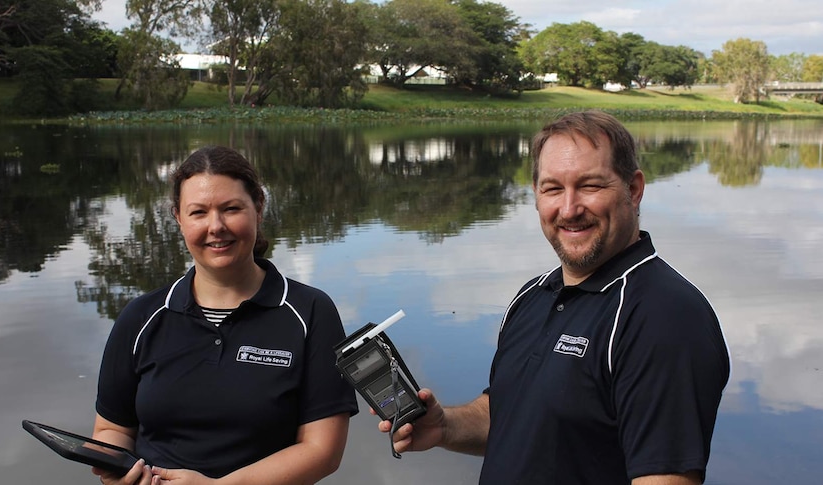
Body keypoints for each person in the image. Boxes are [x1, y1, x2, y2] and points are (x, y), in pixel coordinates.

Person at [379, 110, 731, 484]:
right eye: (552, 188)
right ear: (535, 195)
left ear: (633, 189)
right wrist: (446, 427)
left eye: (590, 186)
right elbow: (512, 413)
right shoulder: (533, 295)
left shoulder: (664, 317)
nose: (569, 209)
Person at [92, 145, 358, 485]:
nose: (215, 226)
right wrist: (117, 469)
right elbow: (112, 428)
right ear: (177, 217)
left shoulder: (310, 312)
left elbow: (323, 450)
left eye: (231, 209)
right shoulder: (141, 317)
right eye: (198, 212)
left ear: (258, 207)